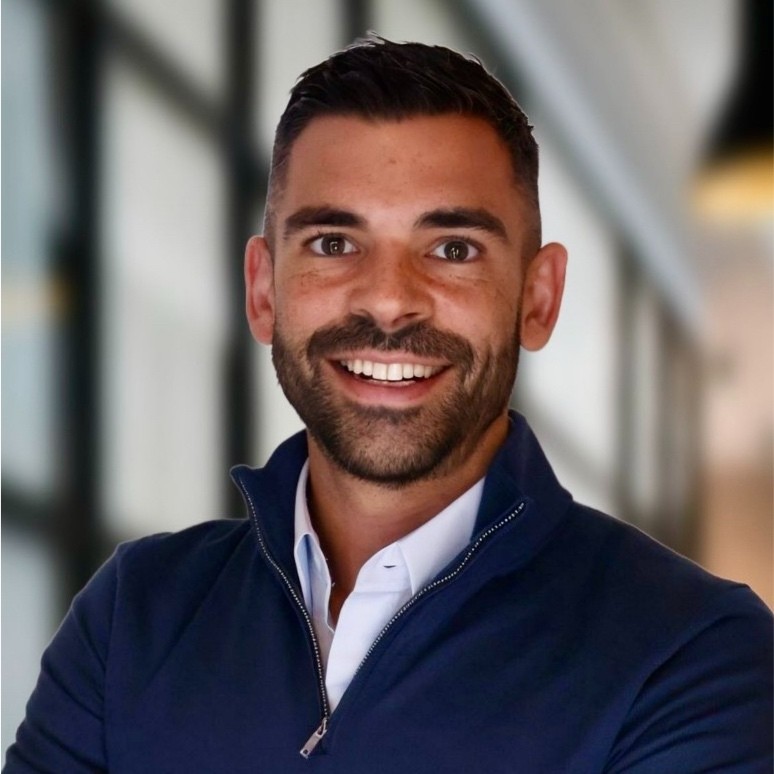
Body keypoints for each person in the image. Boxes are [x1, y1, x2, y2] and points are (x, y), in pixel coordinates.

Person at [5, 37, 772, 774]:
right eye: (334, 243)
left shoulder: (690, 654)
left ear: (538, 300)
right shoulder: (134, 617)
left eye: (453, 250)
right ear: (264, 289)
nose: (390, 300)